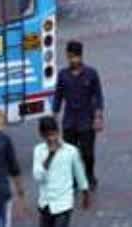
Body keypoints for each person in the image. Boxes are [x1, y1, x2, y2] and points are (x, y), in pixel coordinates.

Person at [52, 40, 103, 189]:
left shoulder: (91, 74)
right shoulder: (63, 75)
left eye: (76, 57)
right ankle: (73, 179)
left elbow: (98, 96)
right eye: (70, 57)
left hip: (86, 120)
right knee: (70, 152)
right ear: (67, 56)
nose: (73, 60)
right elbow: (58, 96)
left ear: (81, 56)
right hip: (69, 121)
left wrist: (98, 117)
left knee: (87, 152)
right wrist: (54, 115)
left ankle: (89, 175)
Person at [33, 117, 91, 226]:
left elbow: (79, 174)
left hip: (64, 204)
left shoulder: (71, 151)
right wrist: (50, 155)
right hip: (45, 203)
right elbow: (38, 177)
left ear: (58, 132)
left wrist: (85, 193)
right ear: (42, 135)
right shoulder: (39, 151)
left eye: (53, 134)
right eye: (48, 135)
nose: (52, 139)